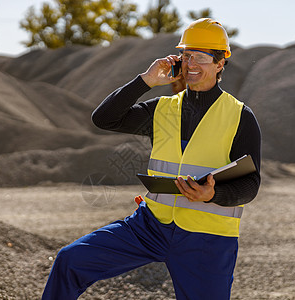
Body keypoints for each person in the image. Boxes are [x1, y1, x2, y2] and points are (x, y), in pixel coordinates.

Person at [42, 18, 261, 300]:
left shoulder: (240, 117)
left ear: (220, 63)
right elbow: (104, 118)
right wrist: (146, 81)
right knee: (70, 260)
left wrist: (213, 193)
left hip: (207, 239)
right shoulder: (162, 109)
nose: (191, 64)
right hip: (150, 226)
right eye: (186, 55)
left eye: (202, 57)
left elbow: (251, 183)